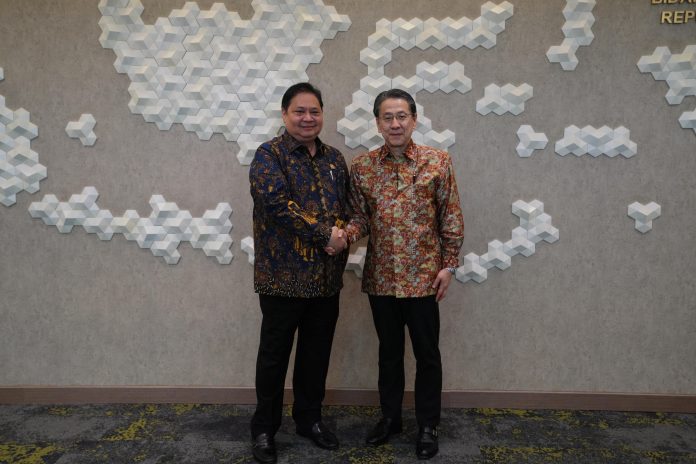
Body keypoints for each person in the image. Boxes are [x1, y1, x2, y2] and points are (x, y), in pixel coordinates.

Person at [341, 88, 464, 460]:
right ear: (378, 123)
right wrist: (342, 236)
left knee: (428, 355)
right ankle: (390, 418)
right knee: (389, 354)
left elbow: (450, 217)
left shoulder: (437, 162)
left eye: (401, 116)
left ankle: (428, 425)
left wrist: (449, 265)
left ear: (414, 119)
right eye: (387, 117)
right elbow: (360, 218)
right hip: (382, 279)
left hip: (424, 278)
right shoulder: (362, 167)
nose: (395, 124)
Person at [248, 82, 349, 464]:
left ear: (322, 114)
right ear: (284, 114)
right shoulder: (268, 155)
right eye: (299, 111)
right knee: (273, 358)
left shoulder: (334, 159)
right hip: (282, 278)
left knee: (315, 355)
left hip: (325, 279)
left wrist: (342, 236)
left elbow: (347, 208)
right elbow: (277, 205)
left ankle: (309, 420)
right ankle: (264, 429)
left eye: (314, 111)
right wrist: (326, 235)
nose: (308, 118)